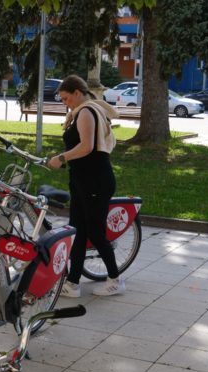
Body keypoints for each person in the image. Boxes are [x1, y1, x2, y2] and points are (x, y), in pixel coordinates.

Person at [47, 75, 123, 297]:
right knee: (77, 232)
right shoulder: (81, 111)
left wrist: (61, 158)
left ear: (77, 93)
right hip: (83, 179)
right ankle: (72, 283)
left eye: (66, 98)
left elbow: (86, 147)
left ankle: (115, 279)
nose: (64, 103)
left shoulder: (86, 112)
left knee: (95, 232)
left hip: (95, 180)